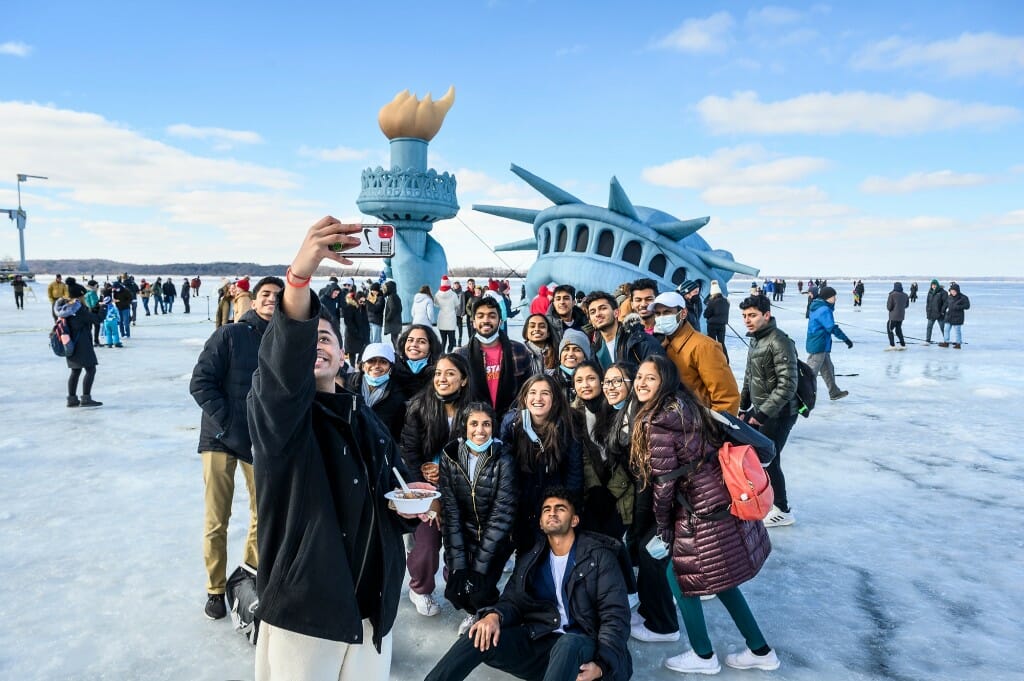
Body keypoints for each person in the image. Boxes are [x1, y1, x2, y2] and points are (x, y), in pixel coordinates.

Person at [247, 218, 431, 681]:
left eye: (325, 338)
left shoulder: (361, 415)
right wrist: (299, 279)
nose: (315, 345)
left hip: (371, 610)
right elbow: (283, 370)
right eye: (309, 337)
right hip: (306, 614)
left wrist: (409, 504)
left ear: (343, 355)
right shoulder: (281, 417)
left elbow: (389, 487)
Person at [636, 356, 778, 674]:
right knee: (721, 580)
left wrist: (662, 527)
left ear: (666, 382)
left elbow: (664, 483)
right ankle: (760, 650)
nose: (642, 383)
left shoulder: (659, 421)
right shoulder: (688, 406)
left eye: (650, 378)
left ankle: (703, 655)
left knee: (680, 578)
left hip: (698, 513)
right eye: (640, 377)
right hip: (720, 502)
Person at [425, 487, 632, 681]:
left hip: (583, 652)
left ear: (575, 520)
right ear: (541, 523)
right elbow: (513, 600)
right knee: (479, 632)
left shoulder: (599, 557)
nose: (552, 513)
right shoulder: (532, 556)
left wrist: (602, 665)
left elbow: (615, 617)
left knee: (568, 642)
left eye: (560, 509)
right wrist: (494, 616)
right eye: (547, 510)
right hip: (540, 643)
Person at [189, 275, 284, 620]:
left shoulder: (283, 342)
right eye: (266, 294)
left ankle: (248, 574)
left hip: (258, 440)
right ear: (254, 299)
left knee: (264, 511)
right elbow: (201, 383)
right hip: (219, 439)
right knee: (218, 518)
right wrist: (227, 425)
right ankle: (215, 589)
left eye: (278, 295)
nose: (272, 299)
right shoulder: (229, 334)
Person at [400, 353, 473, 619]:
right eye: (439, 373)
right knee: (427, 545)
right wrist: (424, 488)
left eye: (450, 373)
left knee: (460, 548)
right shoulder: (419, 407)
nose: (442, 378)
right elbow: (409, 452)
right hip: (425, 489)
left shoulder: (474, 411)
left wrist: (444, 473)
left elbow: (480, 453)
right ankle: (420, 588)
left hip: (463, 489)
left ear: (463, 380)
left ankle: (462, 594)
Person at [439, 402, 518, 635]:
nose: (480, 431)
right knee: (457, 588)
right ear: (464, 426)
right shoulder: (450, 456)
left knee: (482, 586)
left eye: (486, 424)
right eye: (474, 424)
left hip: (497, 538)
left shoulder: (504, 458)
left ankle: (488, 614)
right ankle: (474, 611)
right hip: (465, 532)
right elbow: (450, 510)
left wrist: (479, 567)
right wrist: (460, 564)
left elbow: (502, 514)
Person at [499, 375, 584, 558]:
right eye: (533, 393)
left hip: (552, 500)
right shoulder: (512, 424)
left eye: (545, 393)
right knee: (524, 553)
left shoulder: (566, 425)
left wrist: (566, 508)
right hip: (520, 501)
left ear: (554, 399)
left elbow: (574, 473)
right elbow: (505, 469)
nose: (538, 398)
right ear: (524, 397)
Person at [738, 295, 799, 528]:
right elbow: (749, 376)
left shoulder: (779, 341)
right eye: (744, 316)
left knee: (769, 460)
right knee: (762, 459)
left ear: (767, 315)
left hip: (781, 412)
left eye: (752, 315)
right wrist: (744, 407)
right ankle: (771, 503)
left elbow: (787, 385)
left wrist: (761, 414)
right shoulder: (756, 340)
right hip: (761, 407)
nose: (747, 320)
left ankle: (783, 510)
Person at [648, 291, 740, 414]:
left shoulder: (704, 346)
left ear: (683, 313)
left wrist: (714, 429)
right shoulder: (662, 345)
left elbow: (726, 397)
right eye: (658, 314)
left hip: (699, 425)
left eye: (667, 312)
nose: (661, 318)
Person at [456, 296, 532, 416]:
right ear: (474, 323)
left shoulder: (518, 351)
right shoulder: (461, 355)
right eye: (480, 316)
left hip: (511, 420)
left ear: (500, 321)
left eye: (492, 316)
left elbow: (528, 389)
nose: (486, 320)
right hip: (475, 423)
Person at [583, 290, 665, 371]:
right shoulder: (595, 350)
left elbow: (660, 374)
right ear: (591, 321)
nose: (597, 314)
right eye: (593, 312)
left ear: (616, 313)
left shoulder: (640, 341)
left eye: (603, 308)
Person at [342, 342, 407, 442]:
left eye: (383, 362)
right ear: (363, 365)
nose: (376, 366)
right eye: (371, 361)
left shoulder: (398, 395)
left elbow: (396, 433)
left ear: (391, 367)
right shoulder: (346, 385)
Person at [58, 281, 103, 408]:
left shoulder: (66, 308)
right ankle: (86, 398)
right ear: (79, 296)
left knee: (75, 371)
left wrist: (95, 309)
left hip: (70, 344)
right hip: (82, 344)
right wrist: (103, 308)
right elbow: (96, 320)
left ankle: (71, 399)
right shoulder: (78, 309)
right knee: (91, 369)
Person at [806, 286, 852, 400]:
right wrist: (845, 339)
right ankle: (800, 396)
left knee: (828, 370)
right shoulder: (824, 310)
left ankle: (834, 392)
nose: (835, 299)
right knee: (811, 373)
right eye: (833, 296)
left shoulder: (821, 306)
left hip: (821, 343)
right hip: (819, 344)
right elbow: (831, 327)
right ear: (827, 297)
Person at [392, 324, 443, 398]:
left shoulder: (438, 375)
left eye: (422, 342)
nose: (414, 344)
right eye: (410, 340)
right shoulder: (393, 371)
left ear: (431, 346)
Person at [549, 328, 591, 404]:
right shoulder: (549, 379)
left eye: (577, 350)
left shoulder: (594, 380)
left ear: (585, 356)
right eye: (566, 349)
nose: (570, 354)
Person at [703, 280, 730, 360]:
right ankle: (726, 359)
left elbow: (706, 314)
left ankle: (713, 359)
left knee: (712, 343)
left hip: (712, 325)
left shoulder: (712, 302)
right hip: (722, 325)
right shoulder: (726, 302)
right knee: (722, 343)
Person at [340, 290, 370, 365]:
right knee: (352, 351)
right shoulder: (351, 307)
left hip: (360, 332)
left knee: (362, 349)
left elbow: (364, 320)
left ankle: (358, 363)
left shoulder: (361, 308)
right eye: (361, 300)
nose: (362, 302)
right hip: (352, 333)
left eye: (363, 301)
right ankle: (353, 366)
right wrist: (355, 331)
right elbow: (348, 322)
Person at [939, 283, 970, 349]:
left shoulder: (963, 297)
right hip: (949, 316)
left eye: (954, 291)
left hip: (957, 317)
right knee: (946, 329)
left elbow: (967, 306)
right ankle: (946, 342)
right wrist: (942, 311)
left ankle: (958, 344)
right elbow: (946, 304)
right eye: (951, 291)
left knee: (957, 331)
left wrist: (958, 307)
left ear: (957, 291)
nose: (952, 292)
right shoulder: (949, 297)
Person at [435, 276, 460, 353]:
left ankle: (442, 353)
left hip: (441, 318)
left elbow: (436, 304)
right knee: (452, 340)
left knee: (443, 340)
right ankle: (449, 352)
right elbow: (457, 305)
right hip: (451, 319)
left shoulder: (437, 294)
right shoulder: (453, 294)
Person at [886, 282, 909, 350]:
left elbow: (889, 307)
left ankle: (892, 345)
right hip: (901, 316)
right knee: (898, 330)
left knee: (889, 329)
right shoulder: (905, 295)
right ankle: (903, 344)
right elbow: (907, 305)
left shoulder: (892, 295)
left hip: (893, 316)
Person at [925, 280, 948, 344]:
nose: (934, 286)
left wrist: (942, 311)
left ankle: (946, 340)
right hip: (931, 313)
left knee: (943, 328)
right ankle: (927, 340)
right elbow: (928, 303)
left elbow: (946, 303)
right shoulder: (930, 292)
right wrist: (927, 311)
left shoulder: (943, 292)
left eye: (935, 285)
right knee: (929, 327)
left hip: (940, 314)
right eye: (932, 285)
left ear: (937, 285)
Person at [382, 280, 403, 346]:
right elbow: (400, 308)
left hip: (393, 323)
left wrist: (388, 318)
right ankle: (399, 353)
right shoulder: (396, 296)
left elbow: (392, 309)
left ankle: (399, 354)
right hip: (396, 322)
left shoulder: (391, 297)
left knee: (394, 340)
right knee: (394, 339)